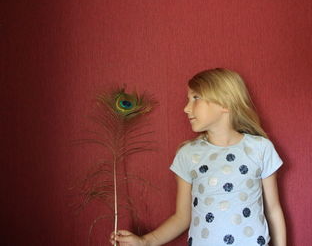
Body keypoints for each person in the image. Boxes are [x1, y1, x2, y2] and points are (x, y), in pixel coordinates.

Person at [110, 68, 286, 246]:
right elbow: (182, 217)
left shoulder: (260, 148)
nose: (186, 108)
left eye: (195, 98)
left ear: (225, 103)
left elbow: (273, 210)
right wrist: (144, 242)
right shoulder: (188, 154)